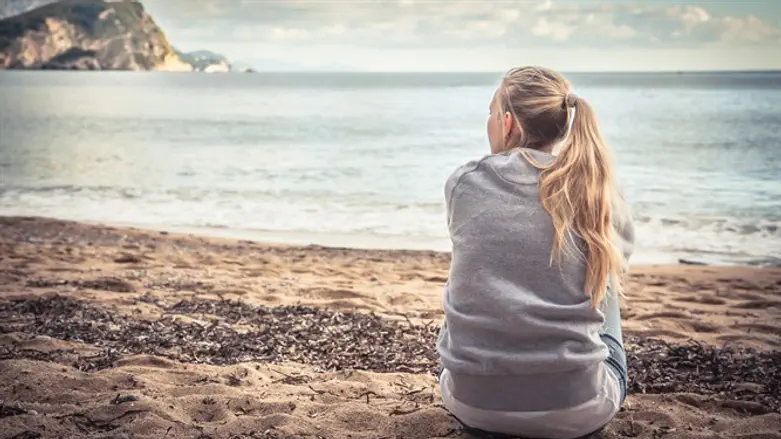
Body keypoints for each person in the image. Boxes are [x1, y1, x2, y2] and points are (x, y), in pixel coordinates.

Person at [437, 66, 635, 439]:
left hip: (472, 404)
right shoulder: (598, 190)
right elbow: (618, 265)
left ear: (508, 123)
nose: (490, 123)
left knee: (473, 281)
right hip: (580, 410)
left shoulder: (464, 182)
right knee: (603, 280)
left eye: (492, 114)